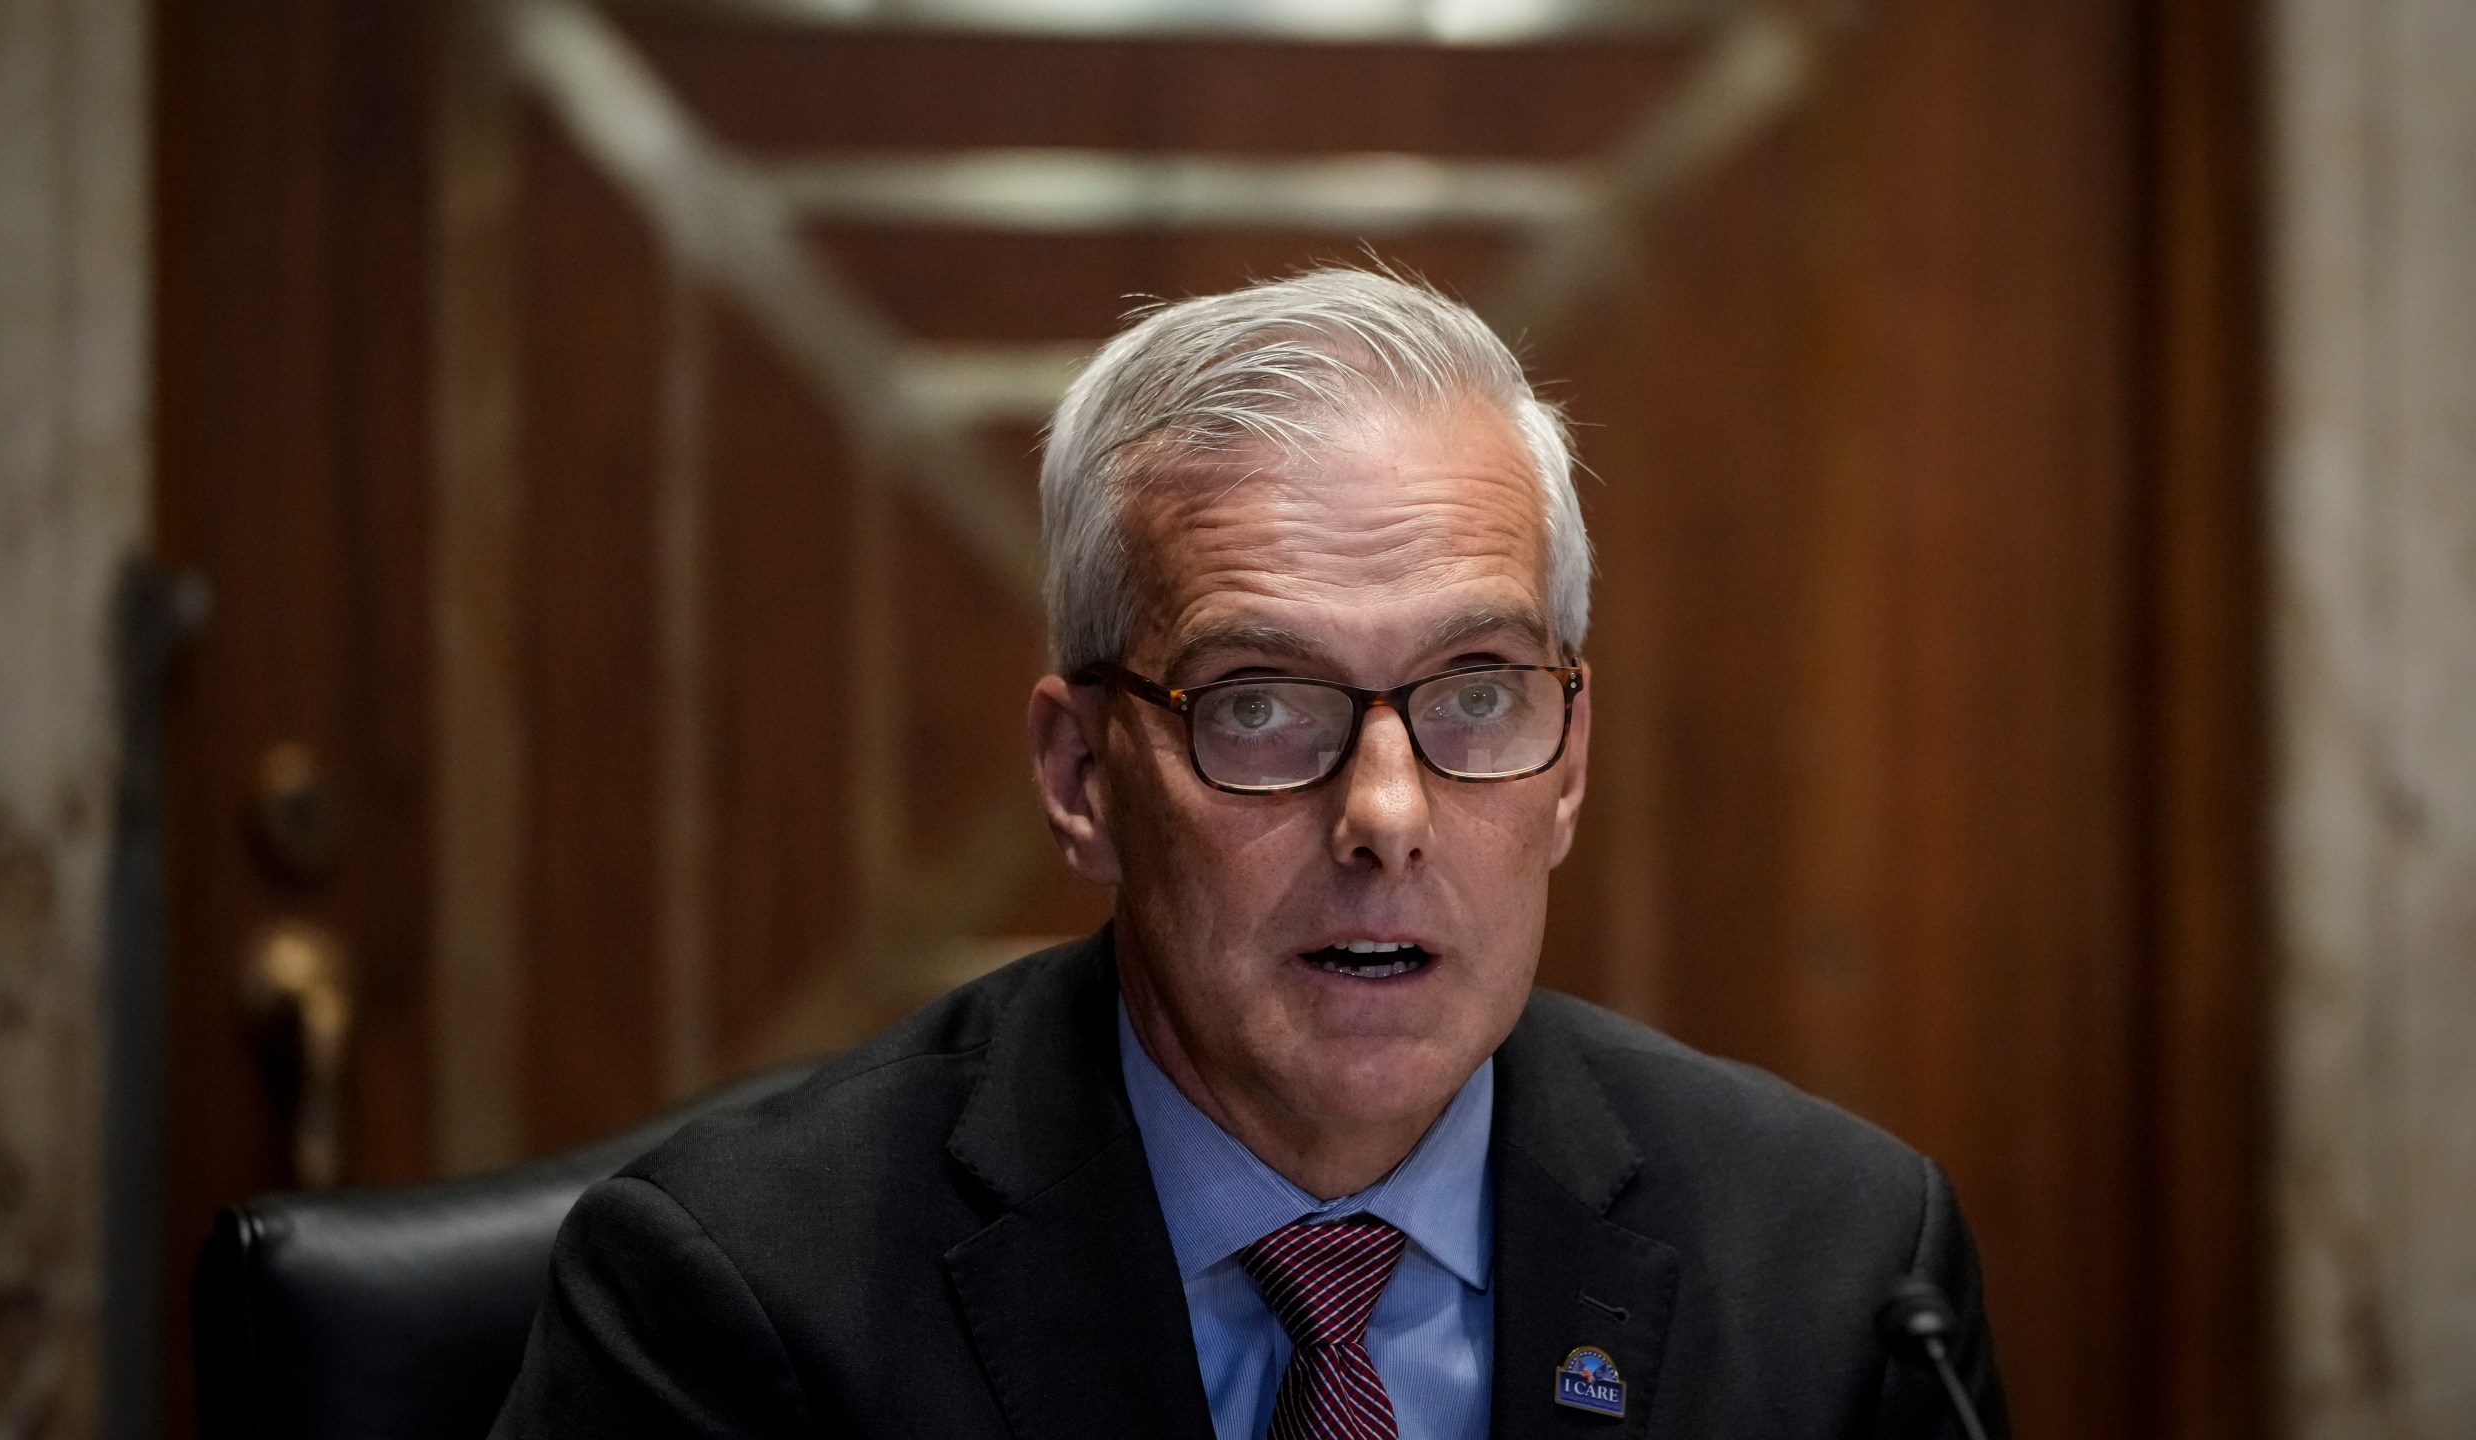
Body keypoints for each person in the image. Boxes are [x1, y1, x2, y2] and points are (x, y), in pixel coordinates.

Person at [492, 268, 2008, 1438]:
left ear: (1572, 764)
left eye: (1477, 694)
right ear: (1082, 775)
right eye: (1262, 705)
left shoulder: (1846, 1275)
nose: (1389, 814)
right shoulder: (739, 1299)